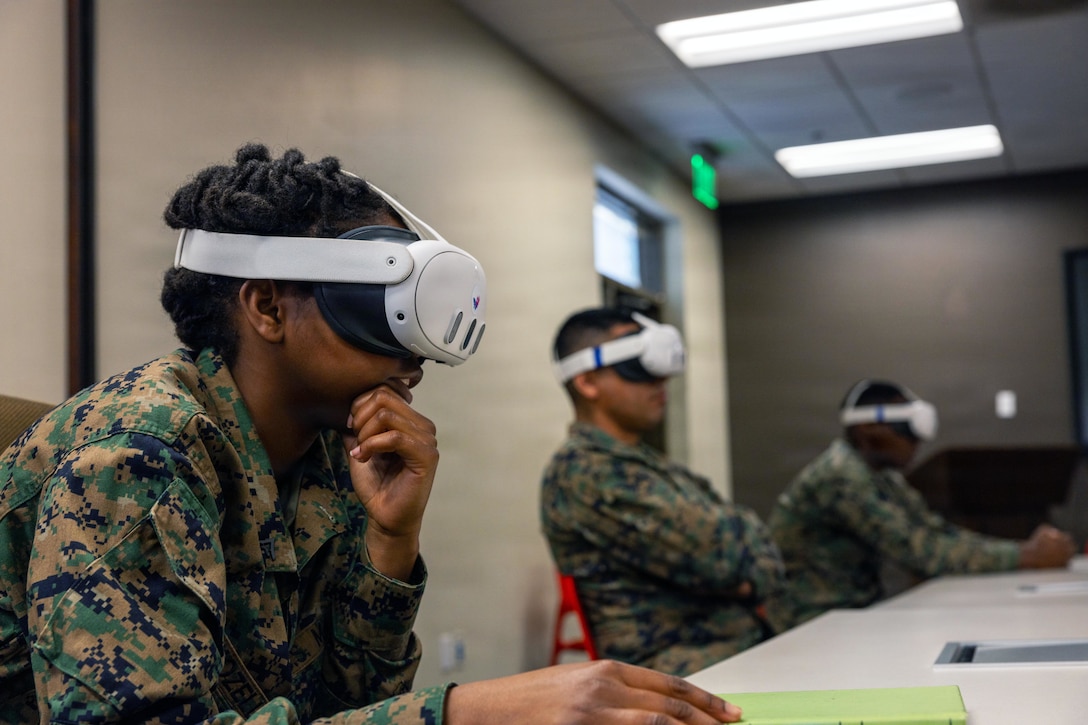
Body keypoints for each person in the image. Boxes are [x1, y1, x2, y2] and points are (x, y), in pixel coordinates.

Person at [0, 145, 744, 724]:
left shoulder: (331, 450)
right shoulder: (138, 454)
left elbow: (342, 702)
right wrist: (471, 709)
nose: (413, 352)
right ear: (265, 307)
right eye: (377, 305)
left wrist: (391, 543)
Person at [540, 307, 784, 677]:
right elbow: (725, 557)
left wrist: (748, 565)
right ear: (588, 382)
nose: (659, 383)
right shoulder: (588, 472)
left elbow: (741, 545)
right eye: (637, 369)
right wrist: (745, 572)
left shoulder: (639, 462)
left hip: (734, 656)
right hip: (677, 677)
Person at [766, 379, 1076, 631]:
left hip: (846, 618)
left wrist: (1023, 551)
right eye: (906, 429)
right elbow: (922, 552)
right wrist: (1027, 555)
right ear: (867, 430)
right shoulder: (841, 476)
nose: (917, 441)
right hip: (809, 624)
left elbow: (935, 532)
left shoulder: (882, 477)